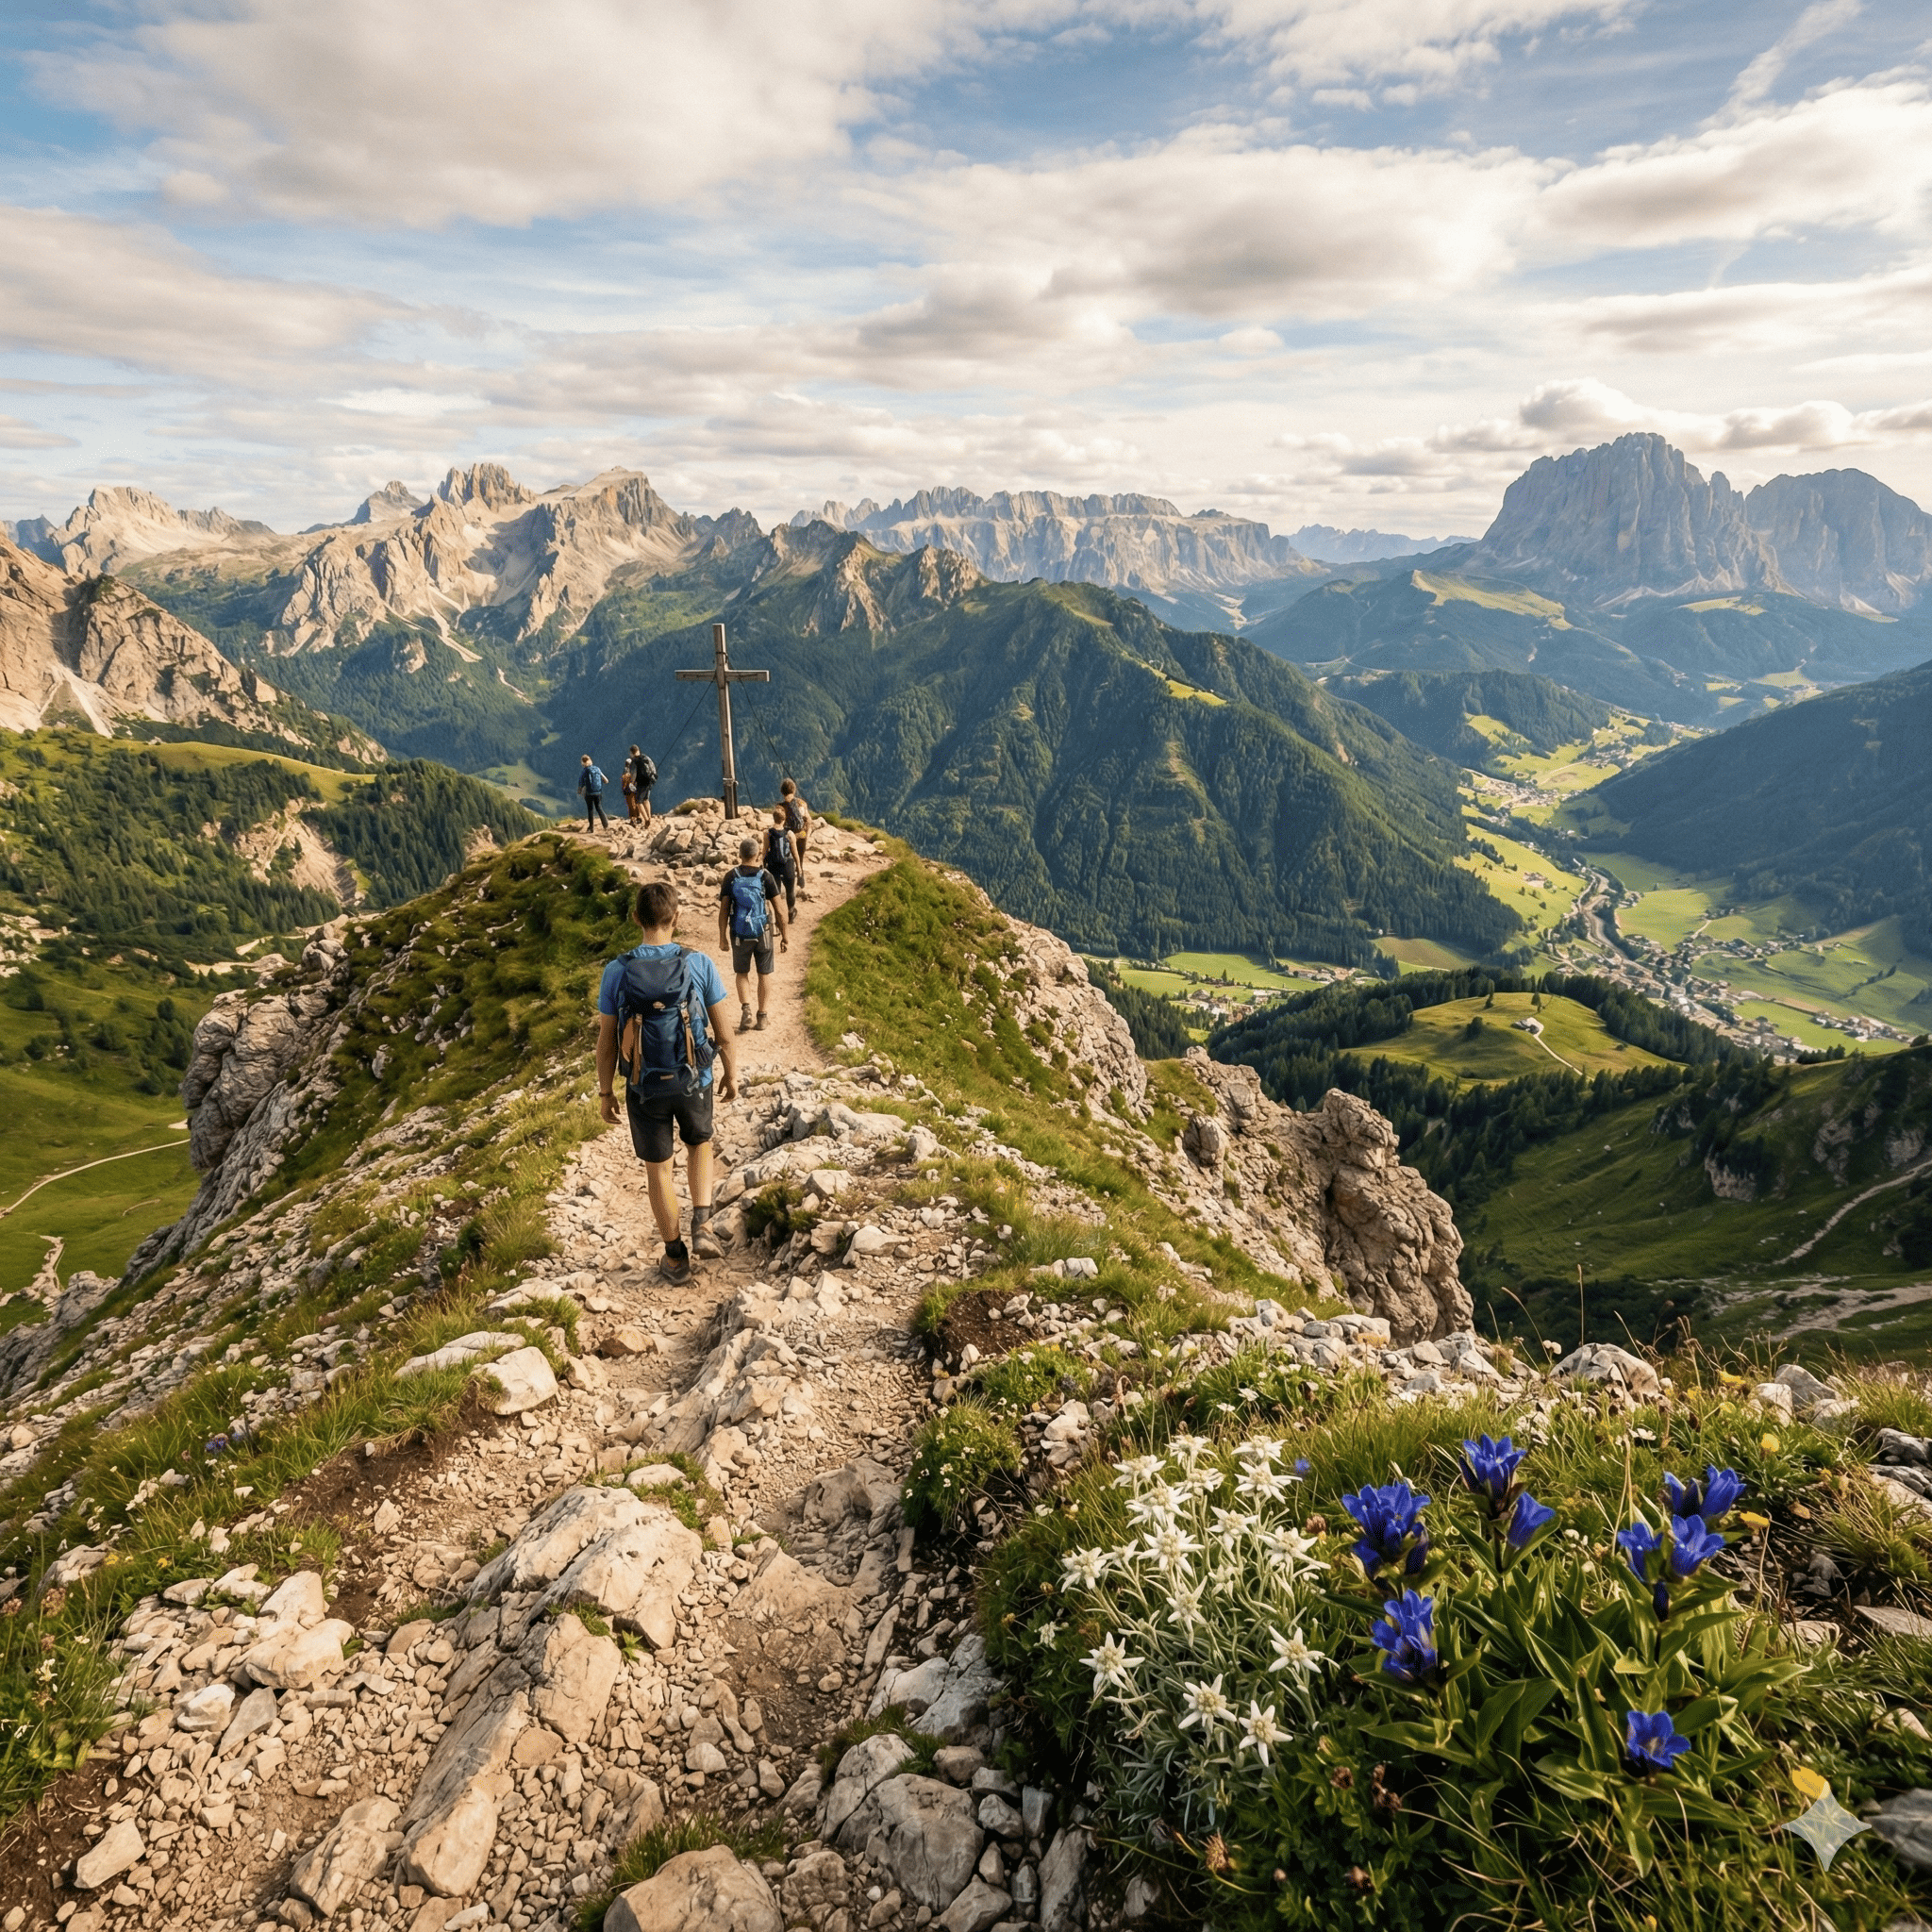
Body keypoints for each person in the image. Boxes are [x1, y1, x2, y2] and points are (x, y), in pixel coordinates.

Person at [596, 880, 737, 1282]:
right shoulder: (699, 963)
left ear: (635, 918)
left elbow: (606, 1043)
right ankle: (703, 1225)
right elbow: (723, 1031)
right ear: (677, 919)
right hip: (695, 1078)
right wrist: (731, 1071)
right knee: (700, 1144)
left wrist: (606, 1092)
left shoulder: (616, 971)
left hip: (644, 1085)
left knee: (658, 1169)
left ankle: (675, 1257)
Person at [717, 834, 788, 1033]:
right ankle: (762, 1016)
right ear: (758, 855)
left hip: (739, 933)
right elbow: (780, 910)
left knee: (742, 973)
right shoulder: (766, 876)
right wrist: (785, 936)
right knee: (764, 973)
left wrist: (722, 937)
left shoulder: (731, 877)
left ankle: (746, 1010)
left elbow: (724, 910)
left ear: (740, 854)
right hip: (763, 931)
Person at [763, 803, 798, 920]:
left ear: (774, 818)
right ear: (784, 819)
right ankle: (791, 912)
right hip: (787, 865)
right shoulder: (789, 834)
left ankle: (778, 916)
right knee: (790, 891)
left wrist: (762, 864)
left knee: (776, 894)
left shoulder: (767, 833)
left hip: (773, 866)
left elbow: (765, 851)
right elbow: (795, 853)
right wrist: (799, 866)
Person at [780, 776, 812, 898]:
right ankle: (801, 875)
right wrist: (805, 834)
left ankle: (789, 882)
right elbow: (808, 820)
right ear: (794, 790)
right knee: (800, 856)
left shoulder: (780, 806)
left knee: (789, 858)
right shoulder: (802, 803)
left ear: (782, 791)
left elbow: (779, 824)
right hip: (802, 835)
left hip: (788, 836)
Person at [624, 745, 657, 826]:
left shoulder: (635, 761)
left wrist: (632, 783)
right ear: (638, 750)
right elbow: (652, 767)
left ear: (632, 753)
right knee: (646, 799)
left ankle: (646, 820)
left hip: (641, 783)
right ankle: (649, 817)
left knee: (639, 802)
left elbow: (634, 774)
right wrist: (653, 777)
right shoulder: (646, 757)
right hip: (649, 781)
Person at [577, 753, 609, 832]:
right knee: (599, 807)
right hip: (598, 792)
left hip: (589, 793)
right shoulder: (597, 769)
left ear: (582, 762)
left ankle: (591, 828)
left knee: (590, 809)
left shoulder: (584, 771)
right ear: (590, 761)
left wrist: (579, 791)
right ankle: (605, 825)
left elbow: (581, 783)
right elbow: (606, 780)